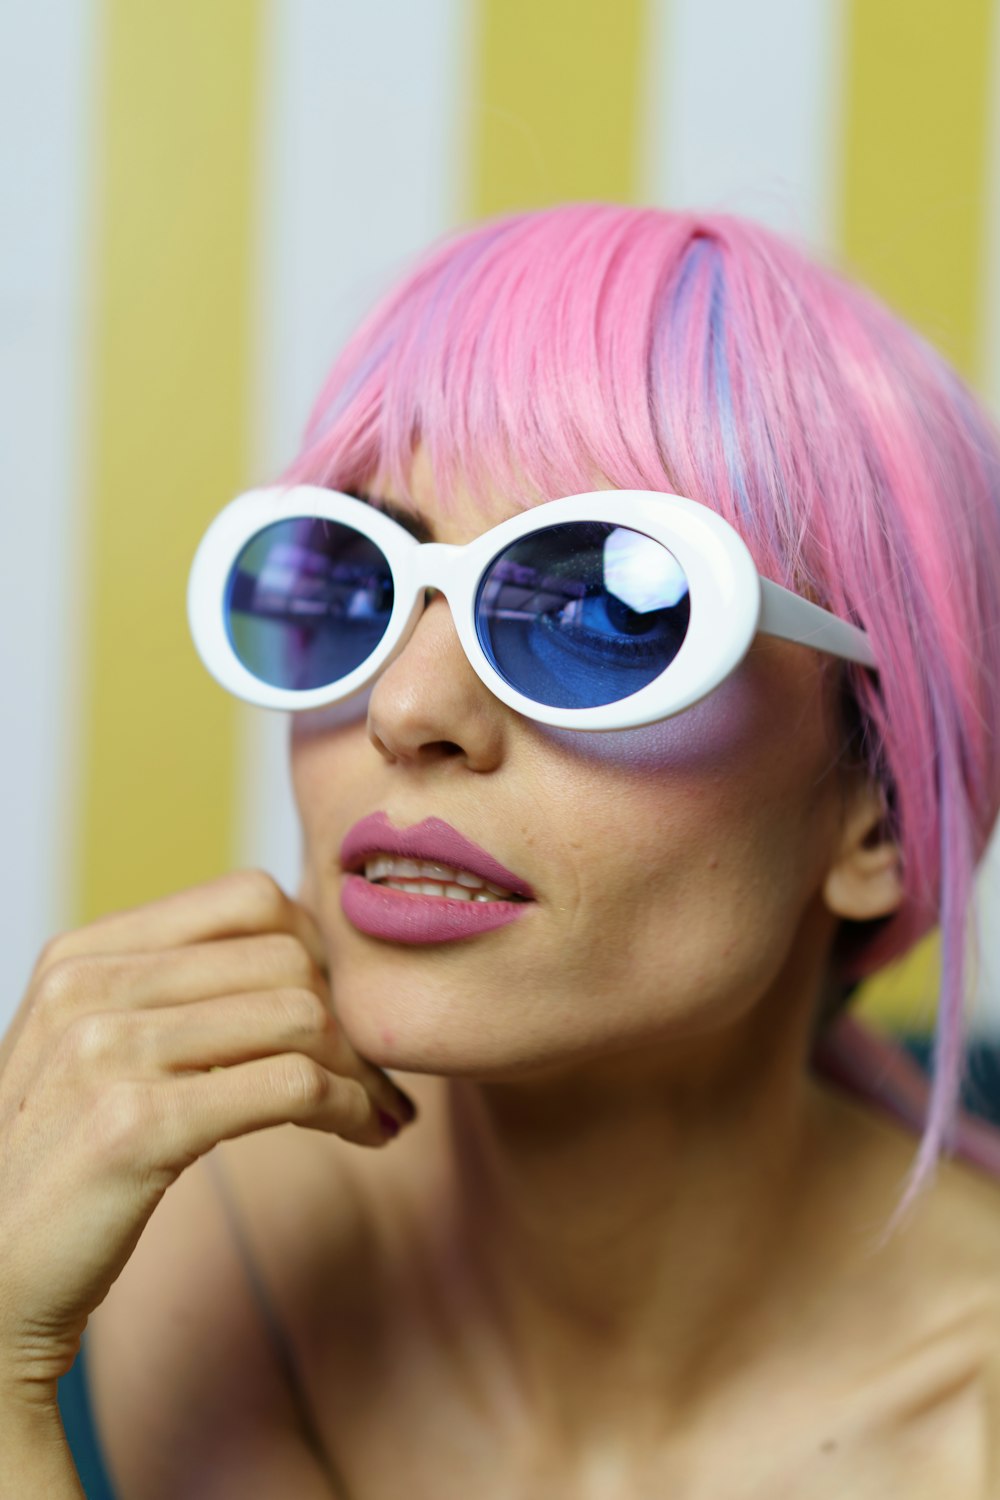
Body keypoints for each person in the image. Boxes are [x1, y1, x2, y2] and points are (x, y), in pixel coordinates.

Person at [4, 202, 1000, 1497]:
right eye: (354, 584)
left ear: (872, 814)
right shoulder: (220, 1231)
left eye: (603, 609)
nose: (410, 710)